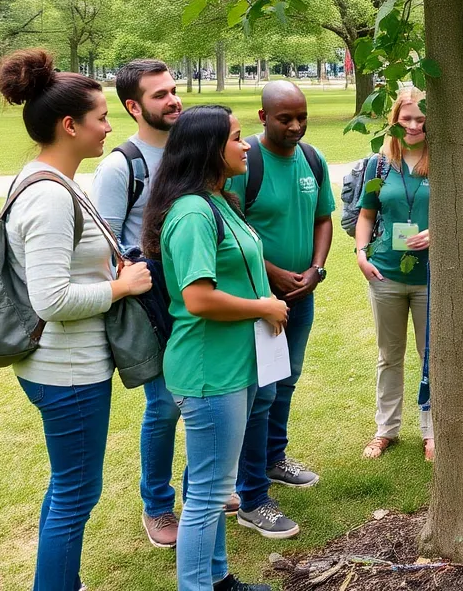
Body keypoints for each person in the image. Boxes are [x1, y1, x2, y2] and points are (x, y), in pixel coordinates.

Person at [0, 49, 153, 591]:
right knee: (76, 492)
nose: (109, 127)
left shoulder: (48, 179)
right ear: (70, 125)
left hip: (62, 365)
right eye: (102, 117)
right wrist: (120, 286)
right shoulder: (50, 197)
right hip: (67, 370)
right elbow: (51, 299)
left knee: (67, 486)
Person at [141, 105, 288, 591]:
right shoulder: (191, 213)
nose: (246, 146)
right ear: (208, 148)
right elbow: (198, 299)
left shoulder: (219, 200)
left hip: (235, 364)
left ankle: (218, 578)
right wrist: (263, 307)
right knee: (207, 495)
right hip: (209, 371)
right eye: (236, 138)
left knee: (215, 485)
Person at [89, 59, 199, 549]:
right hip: (154, 305)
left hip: (199, 293)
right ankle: (156, 506)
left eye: (173, 90)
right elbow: (105, 243)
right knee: (165, 406)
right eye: (160, 95)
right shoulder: (121, 166)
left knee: (205, 397)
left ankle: (203, 491)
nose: (173, 100)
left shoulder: (191, 150)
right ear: (133, 107)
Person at [226, 81, 335, 539]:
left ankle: (273, 458)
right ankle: (247, 491)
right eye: (284, 118)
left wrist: (315, 269)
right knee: (258, 394)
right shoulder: (244, 162)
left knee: (285, 380)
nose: (295, 126)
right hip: (259, 298)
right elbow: (232, 226)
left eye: (301, 117)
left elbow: (323, 218)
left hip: (301, 296)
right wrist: (272, 273)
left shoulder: (312, 159)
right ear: (263, 116)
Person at [355, 89, 434, 462]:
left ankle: (431, 431)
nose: (414, 126)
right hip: (385, 273)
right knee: (389, 355)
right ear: (395, 121)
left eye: (421, 119)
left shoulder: (442, 161)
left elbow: (460, 211)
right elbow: (366, 215)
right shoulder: (379, 165)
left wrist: (436, 233)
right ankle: (386, 430)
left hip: (430, 276)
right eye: (407, 119)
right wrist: (361, 254)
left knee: (431, 356)